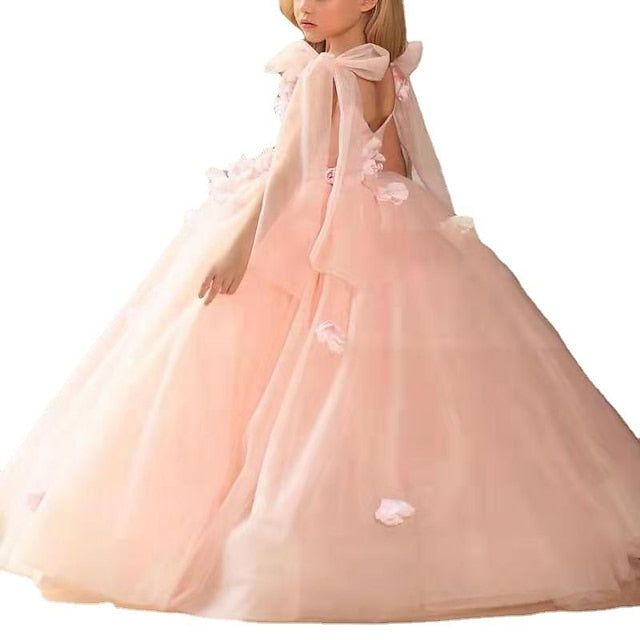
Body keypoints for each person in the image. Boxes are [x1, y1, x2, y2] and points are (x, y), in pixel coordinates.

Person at [1, 0, 640, 624]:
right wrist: (420, 224)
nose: (304, 6)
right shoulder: (385, 70)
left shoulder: (325, 72)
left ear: (367, 2)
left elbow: (290, 172)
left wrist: (241, 245)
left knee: (242, 363)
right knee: (395, 385)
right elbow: (404, 166)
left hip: (305, 223)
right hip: (387, 218)